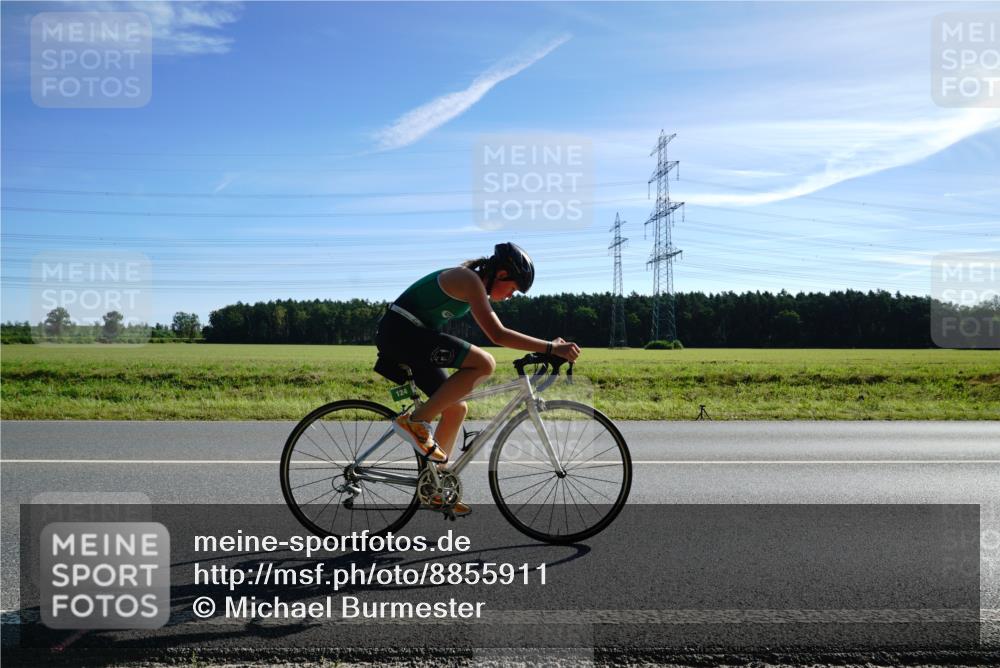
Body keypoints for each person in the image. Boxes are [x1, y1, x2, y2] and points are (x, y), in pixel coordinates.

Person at [374, 242, 580, 516]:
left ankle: (435, 487)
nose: (510, 297)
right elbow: (498, 334)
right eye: (514, 289)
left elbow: (497, 331)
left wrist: (548, 348)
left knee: (456, 407)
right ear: (502, 274)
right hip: (401, 333)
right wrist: (551, 348)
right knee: (484, 363)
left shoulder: (472, 283)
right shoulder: (467, 279)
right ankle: (414, 422)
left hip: (411, 337)